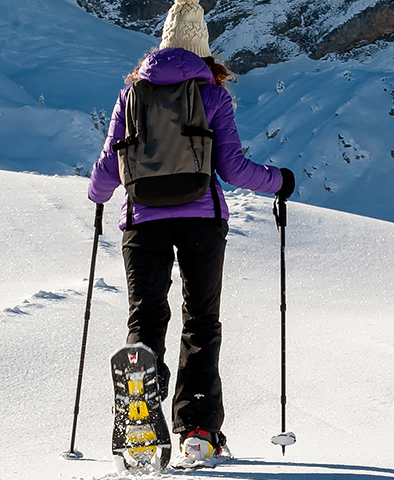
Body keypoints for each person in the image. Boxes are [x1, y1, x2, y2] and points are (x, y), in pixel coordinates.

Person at [86, 0, 295, 468]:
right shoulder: (212, 94)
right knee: (201, 322)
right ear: (203, 49)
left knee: (147, 316)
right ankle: (198, 434)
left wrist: (98, 196)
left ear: (161, 44)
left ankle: (141, 397)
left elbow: (108, 168)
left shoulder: (133, 95)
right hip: (202, 221)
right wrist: (280, 181)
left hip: (142, 222)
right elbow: (234, 169)